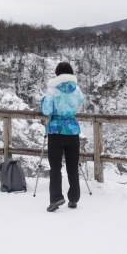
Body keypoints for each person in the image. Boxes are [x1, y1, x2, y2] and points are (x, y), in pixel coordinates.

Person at [40, 62, 84, 212]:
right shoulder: (76, 89)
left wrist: (43, 100)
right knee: (73, 166)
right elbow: (81, 101)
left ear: (57, 74)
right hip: (72, 131)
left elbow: (46, 110)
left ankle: (56, 198)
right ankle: (74, 198)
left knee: (55, 167)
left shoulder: (52, 90)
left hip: (56, 131)